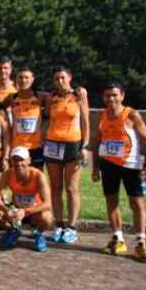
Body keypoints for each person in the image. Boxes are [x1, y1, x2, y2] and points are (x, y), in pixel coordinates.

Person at [91, 84, 146, 262]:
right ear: (103, 98)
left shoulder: (131, 115)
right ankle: (118, 238)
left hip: (131, 165)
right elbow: (97, 142)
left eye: (114, 95)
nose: (111, 99)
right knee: (111, 201)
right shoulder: (102, 116)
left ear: (122, 96)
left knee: (136, 202)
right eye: (107, 96)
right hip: (108, 164)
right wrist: (96, 167)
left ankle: (141, 242)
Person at [44, 66, 89, 244]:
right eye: (56, 79)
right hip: (53, 144)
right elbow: (47, 117)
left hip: (73, 144)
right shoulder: (52, 98)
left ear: (70, 77)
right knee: (55, 187)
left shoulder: (78, 96)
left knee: (71, 188)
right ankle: (59, 223)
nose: (59, 81)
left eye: (62, 78)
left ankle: (71, 226)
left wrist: (85, 146)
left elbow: (85, 122)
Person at [0, 147, 54, 251]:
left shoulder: (39, 175)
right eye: (15, 160)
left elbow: (48, 203)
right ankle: (13, 230)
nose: (18, 163)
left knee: (47, 218)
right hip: (16, 212)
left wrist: (26, 211)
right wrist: (7, 210)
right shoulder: (7, 174)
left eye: (21, 160)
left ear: (29, 160)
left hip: (33, 212)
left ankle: (39, 233)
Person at [7, 67, 47, 169]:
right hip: (18, 146)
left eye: (26, 77)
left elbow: (60, 98)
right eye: (20, 77)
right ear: (16, 79)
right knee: (18, 179)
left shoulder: (41, 96)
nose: (23, 80)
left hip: (36, 146)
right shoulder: (11, 98)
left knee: (37, 177)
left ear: (32, 79)